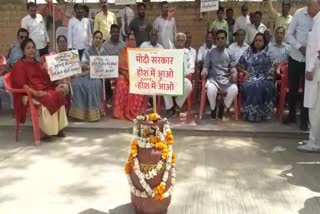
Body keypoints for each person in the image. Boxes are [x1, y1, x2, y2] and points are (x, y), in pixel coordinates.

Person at [11, 38, 68, 140]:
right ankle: (46, 132)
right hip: (28, 94)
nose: (31, 50)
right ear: (23, 51)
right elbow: (21, 84)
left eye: (33, 47)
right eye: (28, 48)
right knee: (48, 98)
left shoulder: (37, 64)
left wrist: (56, 82)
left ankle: (58, 128)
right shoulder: (19, 65)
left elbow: (46, 80)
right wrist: (36, 92)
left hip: (43, 90)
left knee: (58, 95)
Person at [285, 5, 312, 131]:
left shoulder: (318, 16)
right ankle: (291, 115)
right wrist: (300, 47)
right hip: (295, 57)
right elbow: (289, 34)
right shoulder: (299, 13)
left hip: (311, 61)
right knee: (293, 89)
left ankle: (304, 120)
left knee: (308, 91)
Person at [297, 0, 320, 152]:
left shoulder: (319, 22)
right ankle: (313, 139)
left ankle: (314, 143)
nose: (308, 8)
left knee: (314, 107)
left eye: (310, 5)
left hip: (316, 72)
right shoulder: (316, 21)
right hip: (314, 70)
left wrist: (310, 68)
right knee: (315, 107)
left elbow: (319, 50)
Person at [238, 33, 275, 122]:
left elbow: (272, 68)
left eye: (260, 41)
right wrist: (245, 72)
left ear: (264, 42)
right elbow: (238, 65)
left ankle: (260, 114)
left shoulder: (267, 54)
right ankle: (252, 114)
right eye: (256, 40)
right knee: (255, 84)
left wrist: (272, 70)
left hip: (265, 78)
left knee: (261, 85)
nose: (258, 42)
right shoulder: (248, 52)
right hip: (250, 78)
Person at [202, 30, 238, 120]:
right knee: (210, 90)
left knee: (235, 89)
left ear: (226, 39)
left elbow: (232, 66)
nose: (220, 40)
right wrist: (204, 71)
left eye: (222, 38)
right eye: (218, 38)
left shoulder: (229, 53)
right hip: (213, 79)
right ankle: (213, 109)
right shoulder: (210, 53)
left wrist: (234, 72)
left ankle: (223, 107)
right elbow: (205, 66)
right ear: (215, 40)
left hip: (226, 80)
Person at [69, 31, 105, 122]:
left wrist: (95, 69)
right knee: (77, 83)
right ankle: (79, 114)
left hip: (97, 76)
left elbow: (106, 66)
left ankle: (92, 114)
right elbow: (82, 64)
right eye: (96, 38)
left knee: (92, 85)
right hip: (86, 73)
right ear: (93, 39)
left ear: (102, 40)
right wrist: (90, 67)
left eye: (100, 38)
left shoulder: (104, 52)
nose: (98, 40)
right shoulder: (87, 50)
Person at [112, 33, 148, 121]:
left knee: (139, 83)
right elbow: (120, 68)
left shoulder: (139, 52)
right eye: (131, 39)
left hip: (136, 75)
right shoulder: (123, 52)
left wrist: (134, 76)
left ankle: (136, 111)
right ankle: (119, 112)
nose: (132, 42)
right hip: (125, 75)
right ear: (127, 41)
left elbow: (143, 67)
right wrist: (127, 75)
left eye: (134, 40)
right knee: (121, 82)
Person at [102, 24, 125, 104]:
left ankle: (120, 100)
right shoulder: (104, 45)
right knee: (104, 80)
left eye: (117, 32)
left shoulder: (123, 44)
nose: (116, 34)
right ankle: (109, 97)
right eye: (114, 32)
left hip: (121, 70)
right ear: (110, 33)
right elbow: (103, 60)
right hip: (109, 70)